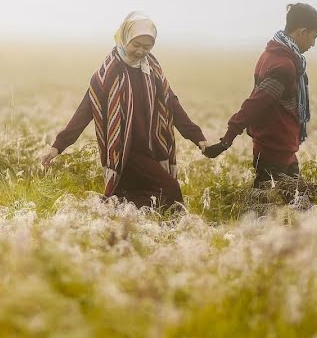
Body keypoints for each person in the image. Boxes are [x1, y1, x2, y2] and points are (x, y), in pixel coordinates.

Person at [41, 12, 207, 209]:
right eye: (136, 45)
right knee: (170, 190)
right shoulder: (108, 73)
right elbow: (86, 109)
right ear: (124, 38)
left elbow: (172, 105)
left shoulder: (152, 69)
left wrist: (198, 138)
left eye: (147, 46)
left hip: (151, 147)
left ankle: (109, 216)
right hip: (125, 151)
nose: (140, 51)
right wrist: (58, 145)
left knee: (133, 197)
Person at [203, 3, 317, 188]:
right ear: (302, 31)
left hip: (274, 146)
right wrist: (227, 139)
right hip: (275, 149)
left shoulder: (271, 54)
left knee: (278, 205)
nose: (314, 43)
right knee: (275, 209)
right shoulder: (284, 65)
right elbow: (256, 103)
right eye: (314, 36)